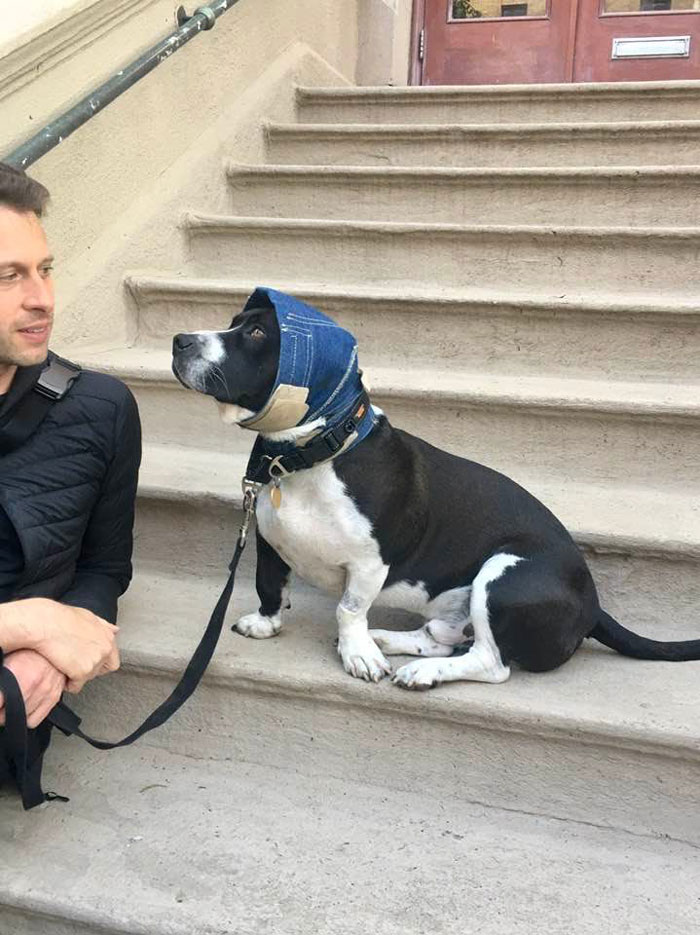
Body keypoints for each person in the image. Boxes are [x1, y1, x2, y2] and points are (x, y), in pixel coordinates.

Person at [0, 162, 141, 765]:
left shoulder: (100, 408)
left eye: (45, 269)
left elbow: (105, 568)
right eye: (8, 276)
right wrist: (28, 625)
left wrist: (47, 653)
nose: (42, 299)